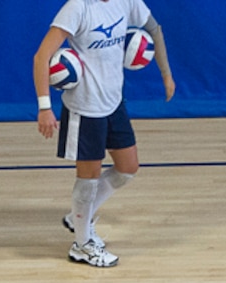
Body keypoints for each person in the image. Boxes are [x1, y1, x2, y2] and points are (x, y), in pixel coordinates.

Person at [32, 0, 174, 267]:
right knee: (89, 177)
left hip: (113, 102)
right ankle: (82, 245)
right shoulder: (78, 8)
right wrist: (44, 108)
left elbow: (155, 29)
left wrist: (166, 75)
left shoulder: (127, 1)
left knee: (128, 168)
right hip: (85, 107)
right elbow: (41, 56)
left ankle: (78, 216)